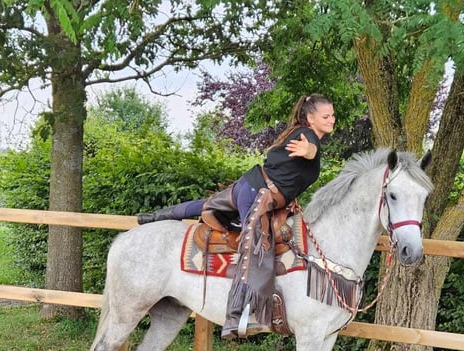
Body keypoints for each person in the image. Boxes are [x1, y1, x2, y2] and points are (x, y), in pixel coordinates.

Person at [137, 94, 336, 338]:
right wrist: (309, 150)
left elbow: (288, 169)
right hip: (259, 195)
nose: (332, 120)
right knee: (255, 250)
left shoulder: (297, 132)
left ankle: (153, 217)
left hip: (251, 186)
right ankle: (235, 317)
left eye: (332, 115)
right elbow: (310, 149)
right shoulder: (307, 135)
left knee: (208, 205)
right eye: (326, 116)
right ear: (310, 117)